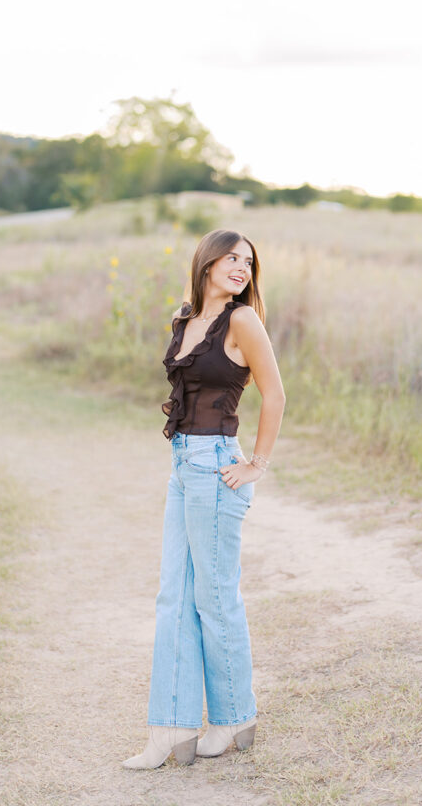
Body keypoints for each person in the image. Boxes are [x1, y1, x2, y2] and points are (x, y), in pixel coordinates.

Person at [123, 228, 286, 769]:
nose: (241, 267)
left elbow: (275, 394)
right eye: (232, 257)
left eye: (248, 261)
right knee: (173, 597)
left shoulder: (243, 320)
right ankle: (169, 729)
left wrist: (255, 465)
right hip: (182, 465)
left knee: (214, 600)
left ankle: (234, 716)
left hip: (217, 466)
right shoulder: (185, 318)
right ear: (207, 261)